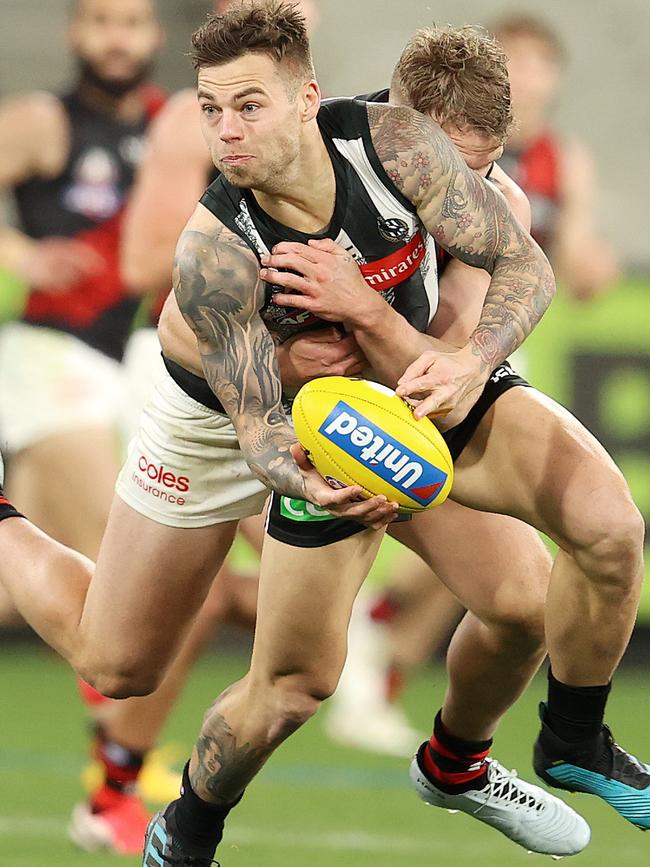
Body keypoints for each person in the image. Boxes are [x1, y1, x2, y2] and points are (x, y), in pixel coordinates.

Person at [137, 9, 644, 863]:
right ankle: (187, 825)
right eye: (215, 110)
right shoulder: (241, 231)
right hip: (324, 433)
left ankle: (512, 751)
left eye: (482, 167)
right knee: (293, 686)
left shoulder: (478, 193)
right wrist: (306, 468)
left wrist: (429, 339)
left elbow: (449, 347)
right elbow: (256, 412)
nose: (469, 186)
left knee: (572, 559)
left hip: (417, 396)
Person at [0, 0, 168, 853]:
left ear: (155, 36)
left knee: (19, 581)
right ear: (76, 32)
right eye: (100, 20)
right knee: (125, 564)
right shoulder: (39, 121)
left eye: (132, 23)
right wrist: (22, 255)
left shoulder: (180, 128)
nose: (116, 37)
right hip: (46, 356)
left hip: (126, 363)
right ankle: (113, 785)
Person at [491, 14, 618, 301]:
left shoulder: (567, 159)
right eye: (515, 60)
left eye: (540, 64)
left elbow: (572, 249)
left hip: (519, 303)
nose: (526, 76)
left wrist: (587, 265)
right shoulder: (456, 144)